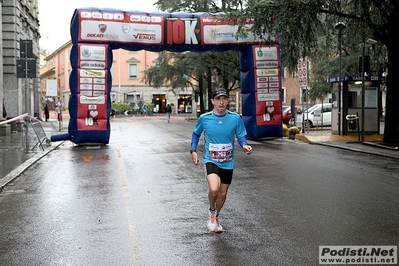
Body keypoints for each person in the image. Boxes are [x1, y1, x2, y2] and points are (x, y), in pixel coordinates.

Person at [190, 88, 253, 233]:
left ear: (228, 100)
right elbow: (195, 134)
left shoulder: (235, 118)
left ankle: (217, 216)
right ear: (213, 101)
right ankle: (211, 212)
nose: (222, 102)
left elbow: (241, 135)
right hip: (211, 160)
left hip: (227, 161)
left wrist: (245, 145)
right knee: (214, 188)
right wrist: (193, 151)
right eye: (218, 99)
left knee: (223, 193)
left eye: (224, 99)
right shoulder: (205, 118)